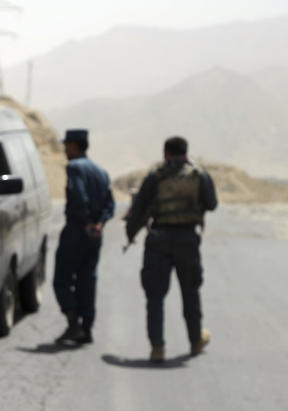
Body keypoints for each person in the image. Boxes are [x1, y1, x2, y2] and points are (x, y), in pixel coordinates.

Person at [125, 136, 217, 362]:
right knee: (190, 291)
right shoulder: (199, 175)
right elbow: (212, 203)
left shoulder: (155, 176)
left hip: (159, 240)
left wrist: (130, 234)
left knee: (155, 296)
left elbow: (138, 209)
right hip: (187, 239)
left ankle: (157, 348)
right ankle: (195, 341)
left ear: (165, 152)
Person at [53, 128, 115, 345]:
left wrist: (87, 222)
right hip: (94, 235)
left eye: (66, 145)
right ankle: (87, 328)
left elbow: (79, 197)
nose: (64, 149)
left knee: (61, 279)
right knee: (87, 279)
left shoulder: (74, 167)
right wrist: (99, 224)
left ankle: (74, 324)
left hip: (76, 231)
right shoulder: (101, 172)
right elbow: (110, 204)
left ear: (74, 145)